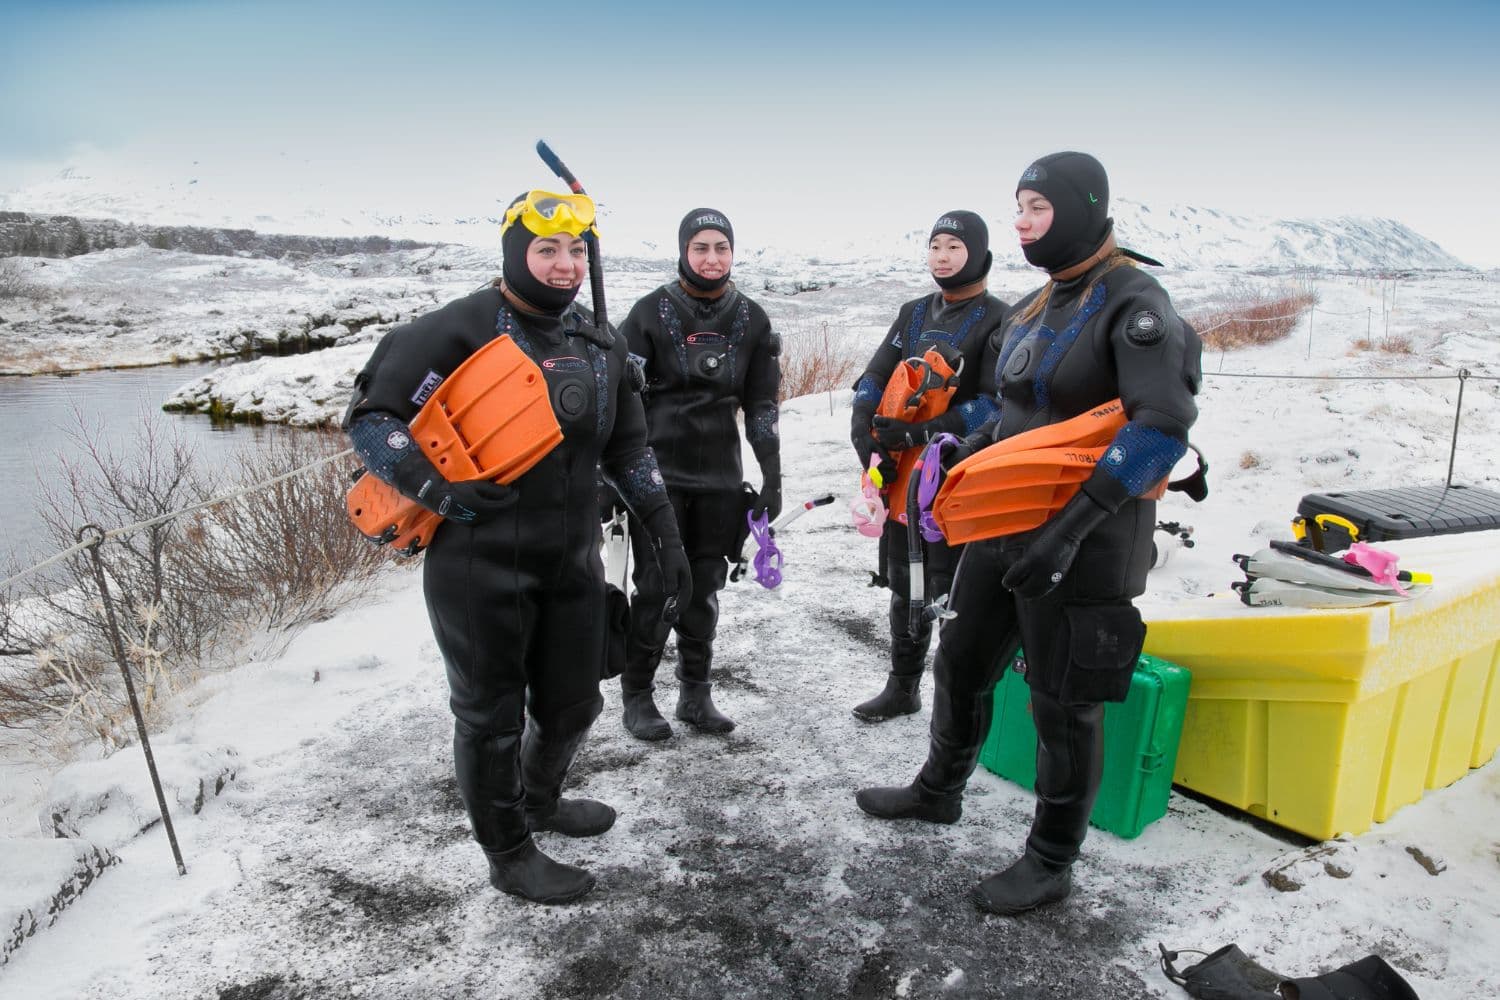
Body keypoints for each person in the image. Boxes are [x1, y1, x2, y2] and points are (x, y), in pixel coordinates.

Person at [855, 152, 1202, 915]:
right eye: (1016, 206)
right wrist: (959, 455)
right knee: (961, 662)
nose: (1021, 221)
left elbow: (1163, 427)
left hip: (1090, 540)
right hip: (1007, 526)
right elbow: (1012, 414)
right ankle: (939, 790)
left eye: (1037, 207)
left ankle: (1050, 861)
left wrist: (1071, 533)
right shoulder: (1037, 306)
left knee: (1063, 704)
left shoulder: (1135, 304)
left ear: (1082, 208)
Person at [344, 189, 692, 906]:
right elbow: (372, 420)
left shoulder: (599, 344)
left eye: (576, 251)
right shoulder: (458, 330)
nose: (565, 266)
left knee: (573, 707)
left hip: (570, 559)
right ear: (515, 253)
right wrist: (437, 488)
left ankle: (538, 799)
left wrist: (664, 530)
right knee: (490, 717)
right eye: (547, 250)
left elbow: (628, 448)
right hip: (478, 565)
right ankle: (506, 852)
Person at [613, 208, 782, 741]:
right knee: (659, 586)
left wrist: (772, 476)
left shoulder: (752, 319)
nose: (712, 258)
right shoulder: (648, 313)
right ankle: (638, 696)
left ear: (734, 252)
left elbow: (761, 404)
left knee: (705, 587)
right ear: (683, 250)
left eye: (722, 248)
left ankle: (694, 693)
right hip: (655, 477)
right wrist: (605, 476)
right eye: (701, 247)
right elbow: (617, 398)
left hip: (720, 479)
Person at [847, 211, 1009, 722]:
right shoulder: (914, 312)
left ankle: (960, 697)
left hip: (957, 468)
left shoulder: (1000, 319)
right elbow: (875, 375)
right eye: (935, 246)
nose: (942, 256)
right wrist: (866, 425)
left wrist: (922, 433)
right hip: (901, 471)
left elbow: (995, 402)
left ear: (979, 254)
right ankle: (903, 686)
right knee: (904, 581)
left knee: (951, 588)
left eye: (954, 247)